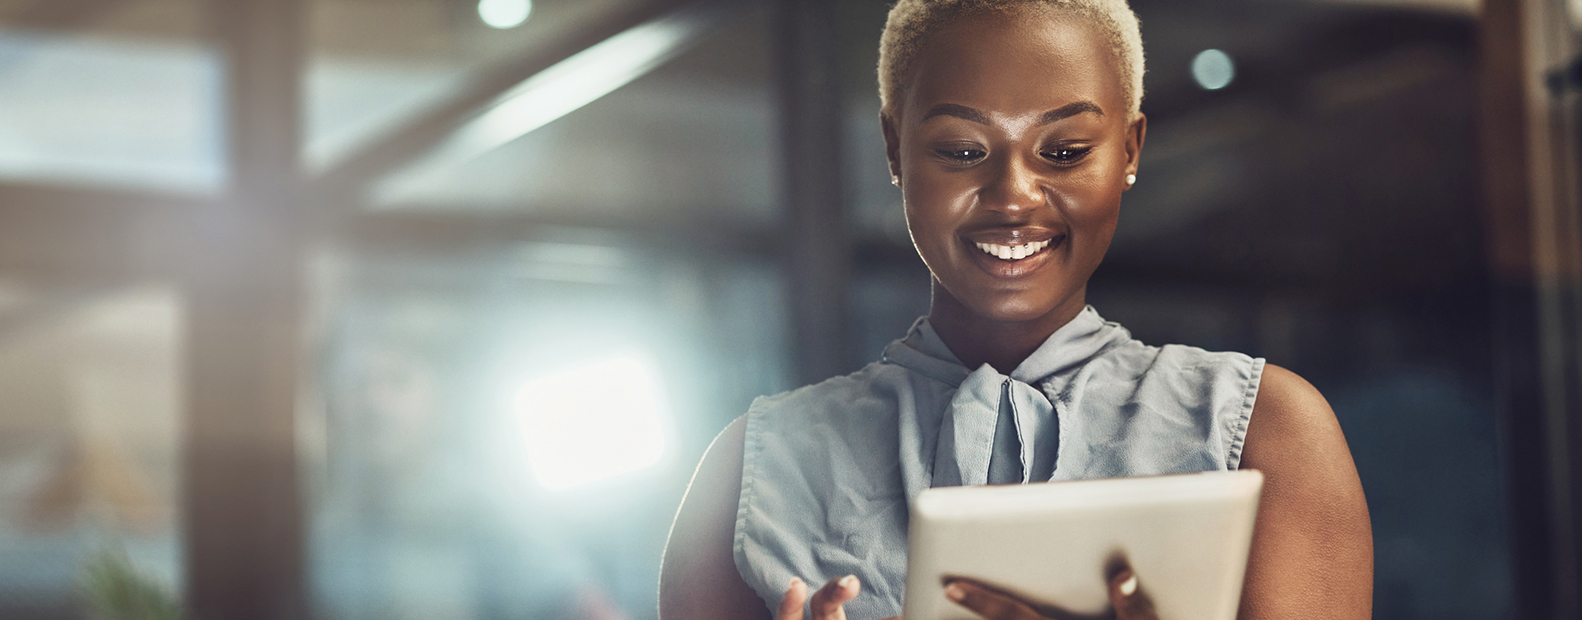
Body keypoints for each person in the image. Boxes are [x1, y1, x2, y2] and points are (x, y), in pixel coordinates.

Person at [659, 0, 1373, 618]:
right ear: (894, 148)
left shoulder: (1267, 434)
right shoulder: (750, 473)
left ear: (1128, 149)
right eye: (964, 149)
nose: (1013, 196)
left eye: (1063, 150)